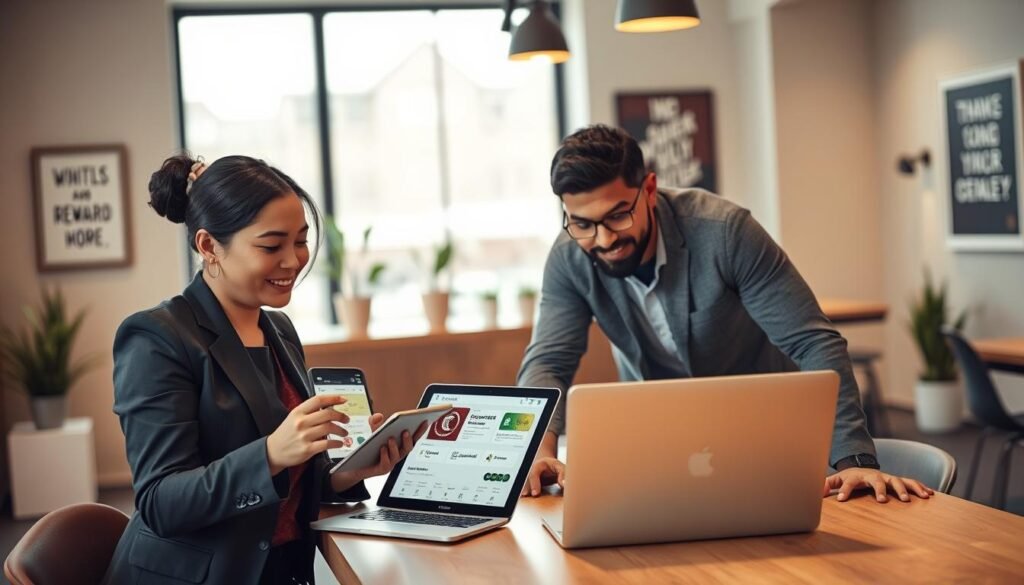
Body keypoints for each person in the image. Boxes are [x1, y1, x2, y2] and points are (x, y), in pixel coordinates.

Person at [517, 125, 933, 505]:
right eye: (582, 223)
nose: (604, 239)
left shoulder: (724, 232)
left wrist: (854, 460)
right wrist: (540, 452)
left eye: (617, 215)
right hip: (664, 449)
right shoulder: (570, 256)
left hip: (766, 438)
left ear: (649, 188)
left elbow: (812, 342)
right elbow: (548, 361)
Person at [105, 154, 422, 584]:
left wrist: (351, 471)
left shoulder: (278, 328)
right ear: (208, 245)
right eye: (271, 246)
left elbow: (289, 481)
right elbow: (162, 501)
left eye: (301, 240)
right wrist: (270, 453)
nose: (293, 261)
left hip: (283, 570)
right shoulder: (156, 338)